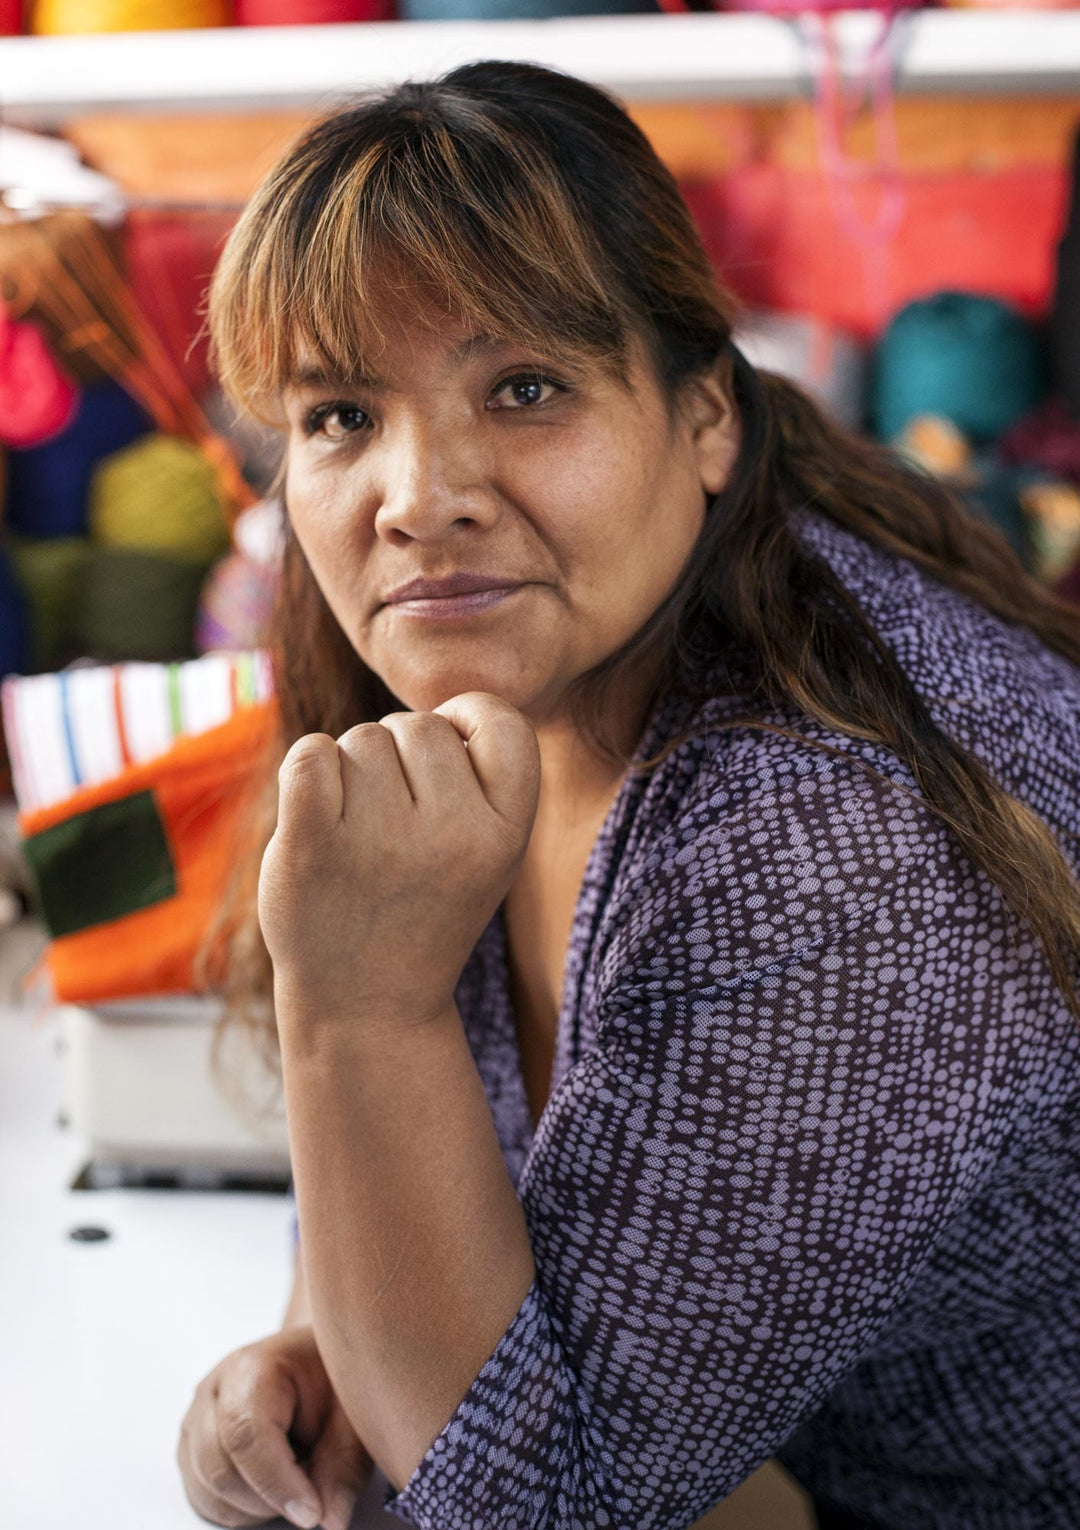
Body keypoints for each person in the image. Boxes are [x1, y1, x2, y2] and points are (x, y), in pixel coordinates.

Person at [176, 60, 1080, 1530]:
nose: (418, 493)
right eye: (341, 414)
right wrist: (324, 1340)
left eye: (524, 388)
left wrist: (358, 1007)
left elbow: (545, 1513)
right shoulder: (513, 677)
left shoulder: (832, 842)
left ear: (704, 413)